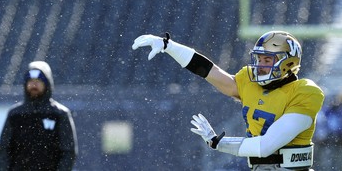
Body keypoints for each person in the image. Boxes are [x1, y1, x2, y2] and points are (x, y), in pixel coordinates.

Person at [132, 31, 324, 171]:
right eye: (259, 59)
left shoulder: (305, 92)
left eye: (268, 60)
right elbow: (211, 72)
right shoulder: (249, 81)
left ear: (289, 64)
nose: (260, 66)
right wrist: (170, 47)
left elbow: (266, 146)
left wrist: (218, 142)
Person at [0, 61, 78, 171]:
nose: (33, 85)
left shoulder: (59, 114)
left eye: (38, 81)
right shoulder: (15, 115)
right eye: (30, 81)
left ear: (47, 84)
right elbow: (4, 150)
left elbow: (68, 152)